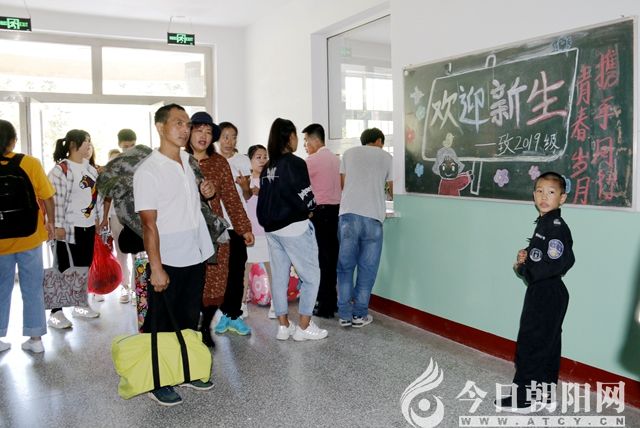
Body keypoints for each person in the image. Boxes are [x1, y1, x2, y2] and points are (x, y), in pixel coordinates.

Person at [134, 104, 215, 406]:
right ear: (160, 127)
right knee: (161, 322)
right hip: (167, 257)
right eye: (178, 123)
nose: (185, 129)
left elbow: (187, 204)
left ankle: (186, 370)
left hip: (195, 251)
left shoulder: (187, 161)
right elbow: (148, 224)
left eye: (187, 124)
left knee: (188, 317)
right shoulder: (148, 170)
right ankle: (158, 381)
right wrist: (156, 268)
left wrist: (205, 191)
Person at [496, 172, 574, 413]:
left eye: (551, 192)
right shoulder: (545, 222)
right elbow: (543, 256)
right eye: (540, 191)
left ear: (562, 198)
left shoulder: (555, 227)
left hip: (546, 292)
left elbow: (557, 262)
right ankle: (544, 395)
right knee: (547, 345)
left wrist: (523, 268)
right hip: (547, 290)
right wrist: (527, 255)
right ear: (533, 195)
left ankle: (523, 399)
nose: (544, 196)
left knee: (532, 344)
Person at [185, 111, 253, 346]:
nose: (203, 136)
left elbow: (232, 198)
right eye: (198, 131)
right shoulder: (179, 161)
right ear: (189, 132)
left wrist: (244, 228)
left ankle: (205, 326)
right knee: (191, 280)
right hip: (184, 233)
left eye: (208, 132)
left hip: (213, 233)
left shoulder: (218, 163)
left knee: (215, 281)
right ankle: (190, 327)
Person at [257, 118, 327, 342]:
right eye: (296, 135)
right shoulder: (295, 163)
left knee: (279, 277)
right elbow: (305, 193)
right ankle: (304, 327)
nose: (298, 140)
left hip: (272, 230)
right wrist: (312, 209)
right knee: (312, 277)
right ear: (289, 137)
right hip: (294, 228)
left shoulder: (268, 166)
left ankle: (283, 325)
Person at [0, 119, 55, 353]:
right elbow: (48, 196)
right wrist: (51, 222)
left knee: (1, 288)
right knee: (32, 288)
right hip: (30, 236)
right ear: (13, 141)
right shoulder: (29, 163)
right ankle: (35, 340)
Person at [47, 129, 104, 328]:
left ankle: (80, 305)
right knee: (63, 269)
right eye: (85, 141)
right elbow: (55, 201)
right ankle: (55, 313)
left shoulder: (91, 169)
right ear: (73, 145)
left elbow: (96, 196)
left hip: (87, 226)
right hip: (68, 228)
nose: (89, 144)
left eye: (90, 140)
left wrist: (98, 219)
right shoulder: (61, 170)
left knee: (83, 267)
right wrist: (58, 226)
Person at [337, 127, 392, 328]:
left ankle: (344, 315)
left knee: (345, 268)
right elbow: (392, 189)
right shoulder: (387, 157)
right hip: (373, 218)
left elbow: (343, 184)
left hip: (348, 216)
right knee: (367, 269)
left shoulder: (348, 154)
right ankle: (359, 315)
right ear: (379, 141)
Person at [213, 122, 255, 333]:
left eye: (233, 137)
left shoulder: (242, 161)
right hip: (216, 225)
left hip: (237, 223)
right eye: (225, 137)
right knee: (219, 272)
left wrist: (245, 186)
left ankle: (234, 315)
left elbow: (247, 196)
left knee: (237, 270)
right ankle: (222, 314)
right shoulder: (212, 161)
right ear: (218, 139)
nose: (229, 141)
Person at [303, 123, 341, 318]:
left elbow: (300, 185)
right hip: (336, 212)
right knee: (331, 259)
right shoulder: (336, 159)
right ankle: (332, 302)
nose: (305, 145)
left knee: (321, 261)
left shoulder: (312, 161)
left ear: (314, 139)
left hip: (320, 213)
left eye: (306, 141)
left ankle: (324, 306)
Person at [244, 144, 275, 318]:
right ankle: (241, 305)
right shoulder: (245, 182)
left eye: (265, 157)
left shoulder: (270, 182)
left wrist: (262, 192)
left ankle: (276, 305)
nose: (262, 160)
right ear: (250, 161)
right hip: (251, 234)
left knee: (272, 270)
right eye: (258, 157)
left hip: (268, 232)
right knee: (245, 269)